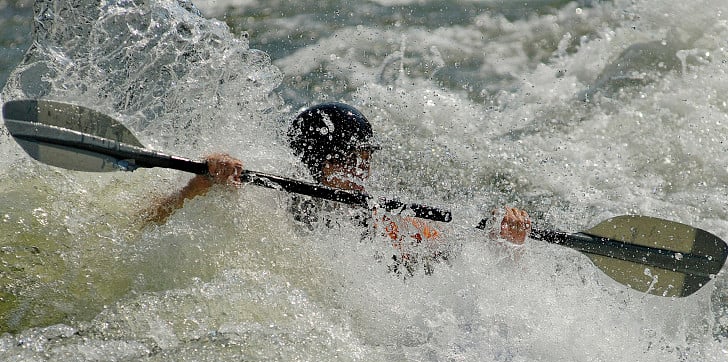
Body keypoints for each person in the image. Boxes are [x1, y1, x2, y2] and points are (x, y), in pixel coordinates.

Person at [144, 102, 531, 272]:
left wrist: (502, 238)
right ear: (317, 166)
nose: (361, 175)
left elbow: (450, 253)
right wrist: (201, 181)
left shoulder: (372, 219)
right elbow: (151, 220)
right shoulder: (271, 207)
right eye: (350, 162)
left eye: (365, 161)